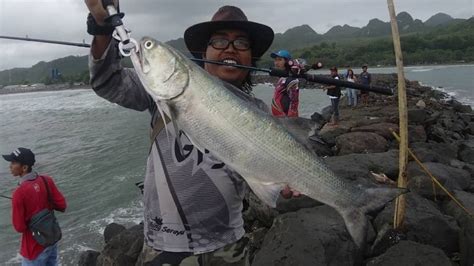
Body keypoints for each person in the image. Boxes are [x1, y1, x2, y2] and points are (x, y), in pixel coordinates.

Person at [84, 2, 298, 265]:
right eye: (219, 41)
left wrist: (285, 179)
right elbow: (107, 81)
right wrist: (102, 25)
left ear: (250, 58)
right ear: (204, 51)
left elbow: (262, 172)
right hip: (163, 246)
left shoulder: (258, 111)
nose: (230, 48)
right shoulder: (162, 94)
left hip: (228, 245)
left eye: (242, 43)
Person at [2, 147, 67, 265]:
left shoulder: (19, 193)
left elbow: (19, 227)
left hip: (33, 249)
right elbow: (62, 205)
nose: (10, 166)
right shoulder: (47, 180)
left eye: (13, 163)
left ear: (25, 167)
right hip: (51, 239)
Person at [270, 50, 300, 117]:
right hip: (277, 119)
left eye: (280, 60)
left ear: (287, 62)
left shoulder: (291, 80)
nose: (276, 63)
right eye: (275, 60)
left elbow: (294, 103)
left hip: (285, 120)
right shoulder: (281, 78)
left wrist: (291, 121)